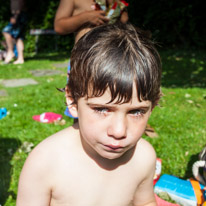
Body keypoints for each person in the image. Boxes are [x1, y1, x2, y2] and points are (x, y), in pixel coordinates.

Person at [17, 22, 162, 206]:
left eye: (136, 112)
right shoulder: (46, 162)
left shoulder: (143, 157)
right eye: (102, 109)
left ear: (153, 106)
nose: (118, 131)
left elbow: (145, 202)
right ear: (72, 101)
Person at [54, 0, 129, 119]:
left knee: (111, 103)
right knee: (82, 107)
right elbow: (59, 26)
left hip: (111, 60)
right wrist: (84, 17)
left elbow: (124, 25)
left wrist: (120, 10)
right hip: (83, 60)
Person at [2, 0, 27, 64]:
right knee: (18, 37)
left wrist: (15, 16)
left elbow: (19, 2)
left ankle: (10, 52)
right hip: (20, 14)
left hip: (18, 15)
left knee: (6, 31)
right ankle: (20, 58)